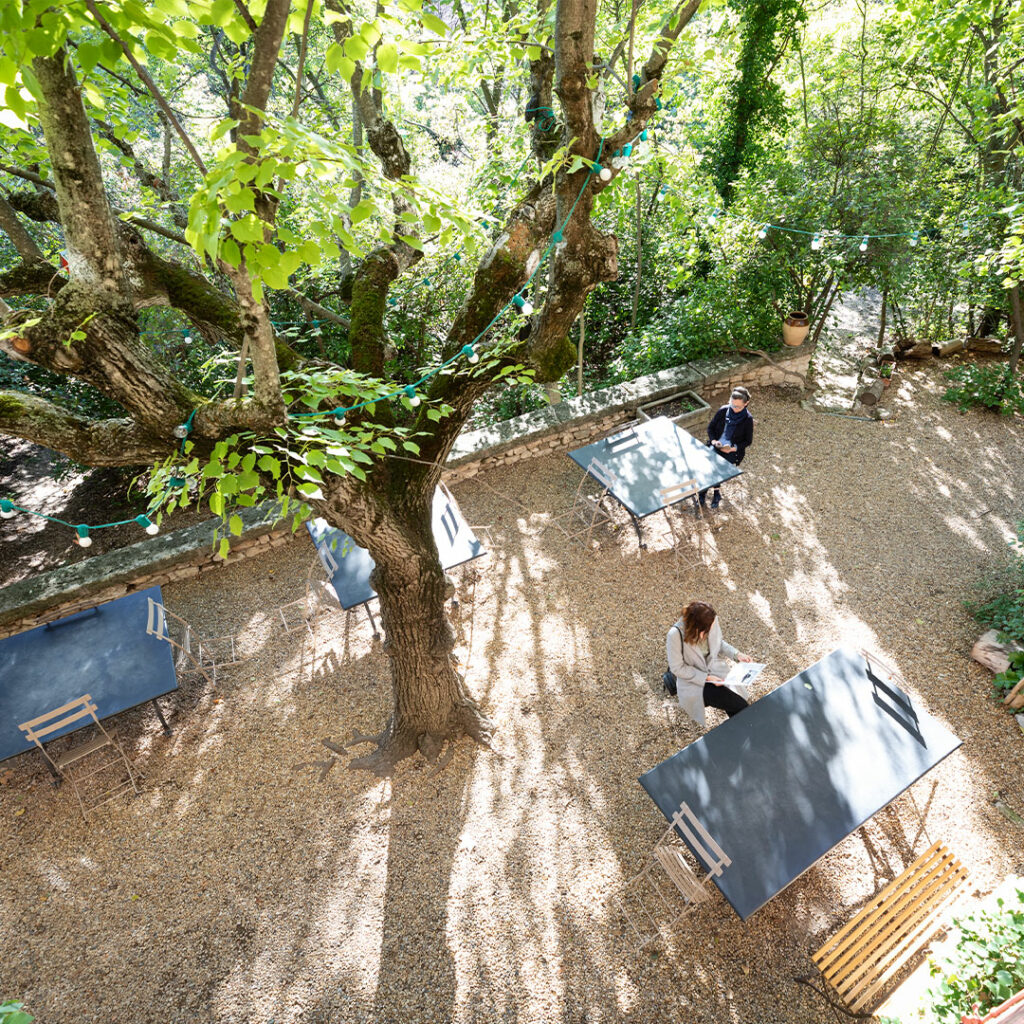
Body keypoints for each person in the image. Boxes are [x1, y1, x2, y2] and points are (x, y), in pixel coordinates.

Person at [666, 600, 752, 727]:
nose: (708, 633)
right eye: (705, 631)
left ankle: (741, 730)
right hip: (694, 681)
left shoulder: (710, 621)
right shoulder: (675, 635)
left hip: (715, 672)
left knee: (735, 704)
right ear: (695, 627)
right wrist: (707, 678)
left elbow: (719, 643)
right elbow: (677, 668)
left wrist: (737, 654)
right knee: (740, 706)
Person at [701, 386, 753, 509]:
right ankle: (709, 492)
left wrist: (733, 448)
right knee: (709, 468)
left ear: (746, 403)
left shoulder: (748, 419)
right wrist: (714, 441)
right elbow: (711, 428)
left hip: (732, 451)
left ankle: (712, 493)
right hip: (716, 446)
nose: (734, 409)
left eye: (738, 407)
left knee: (717, 470)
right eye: (732, 405)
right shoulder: (723, 410)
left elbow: (748, 441)